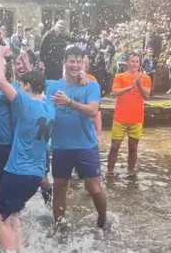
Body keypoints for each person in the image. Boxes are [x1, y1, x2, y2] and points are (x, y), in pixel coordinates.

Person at [0, 45, 55, 252]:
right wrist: (29, 68)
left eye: (22, 84)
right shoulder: (49, 108)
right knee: (14, 214)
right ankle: (21, 248)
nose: (19, 87)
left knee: (0, 215)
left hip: (17, 171)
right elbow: (40, 87)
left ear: (27, 86)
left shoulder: (25, 103)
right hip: (36, 175)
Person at [46, 47, 107, 229]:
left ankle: (103, 220)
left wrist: (69, 102)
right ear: (64, 62)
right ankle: (59, 228)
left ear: (83, 64)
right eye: (71, 60)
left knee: (95, 189)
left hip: (85, 145)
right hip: (61, 146)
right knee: (59, 189)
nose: (75, 64)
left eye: (78, 61)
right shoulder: (53, 86)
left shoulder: (91, 85)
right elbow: (34, 93)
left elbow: (93, 110)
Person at [107, 52, 151, 177]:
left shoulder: (145, 78)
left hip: (136, 119)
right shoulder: (120, 76)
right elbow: (115, 93)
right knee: (115, 146)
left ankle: (131, 172)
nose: (135, 64)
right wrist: (129, 88)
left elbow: (146, 96)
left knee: (133, 147)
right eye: (132, 61)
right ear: (127, 62)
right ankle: (109, 172)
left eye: (137, 61)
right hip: (120, 118)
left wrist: (139, 85)